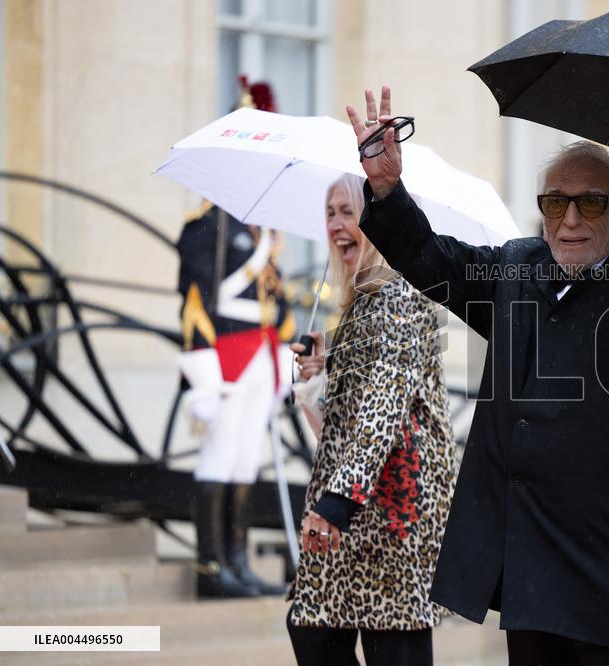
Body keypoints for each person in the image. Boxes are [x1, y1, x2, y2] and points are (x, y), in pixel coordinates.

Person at [348, 86, 609, 665]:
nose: (569, 219)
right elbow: (430, 260)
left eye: (590, 204)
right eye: (555, 203)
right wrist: (387, 189)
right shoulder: (516, 265)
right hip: (531, 563)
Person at [284, 173, 458, 666]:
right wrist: (320, 378)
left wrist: (336, 502)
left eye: (349, 211)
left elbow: (383, 409)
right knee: (312, 626)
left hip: (394, 517)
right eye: (331, 212)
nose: (338, 224)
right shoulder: (362, 302)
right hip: (356, 513)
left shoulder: (399, 296)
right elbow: (345, 424)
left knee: (387, 642)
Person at [176, 76, 293, 598]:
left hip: (262, 354)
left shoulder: (267, 230)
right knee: (220, 455)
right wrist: (200, 381)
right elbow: (194, 306)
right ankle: (210, 565)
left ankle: (238, 560)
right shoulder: (206, 225)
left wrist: (290, 351)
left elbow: (277, 299)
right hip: (224, 356)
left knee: (246, 456)